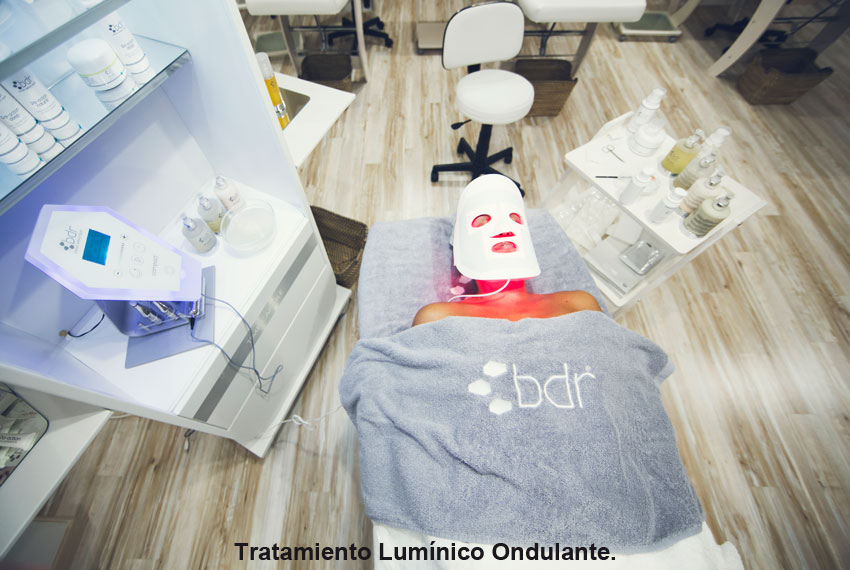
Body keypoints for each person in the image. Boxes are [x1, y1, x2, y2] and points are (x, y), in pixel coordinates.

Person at [413, 174, 601, 326]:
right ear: (462, 249)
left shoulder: (580, 304)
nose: (504, 230)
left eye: (514, 219)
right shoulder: (437, 318)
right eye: (483, 222)